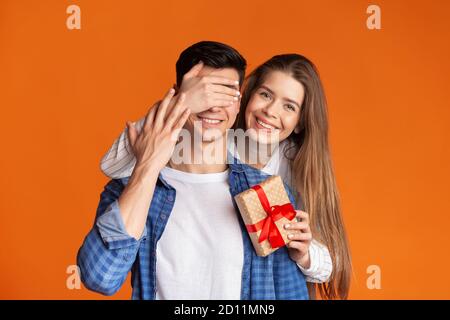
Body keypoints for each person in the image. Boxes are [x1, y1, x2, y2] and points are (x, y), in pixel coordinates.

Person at [100, 52, 352, 299]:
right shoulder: (210, 137)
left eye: (289, 106)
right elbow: (113, 165)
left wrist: (306, 254)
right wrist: (182, 102)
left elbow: (332, 261)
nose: (271, 111)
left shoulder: (298, 167)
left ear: (300, 122)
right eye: (265, 95)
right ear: (244, 98)